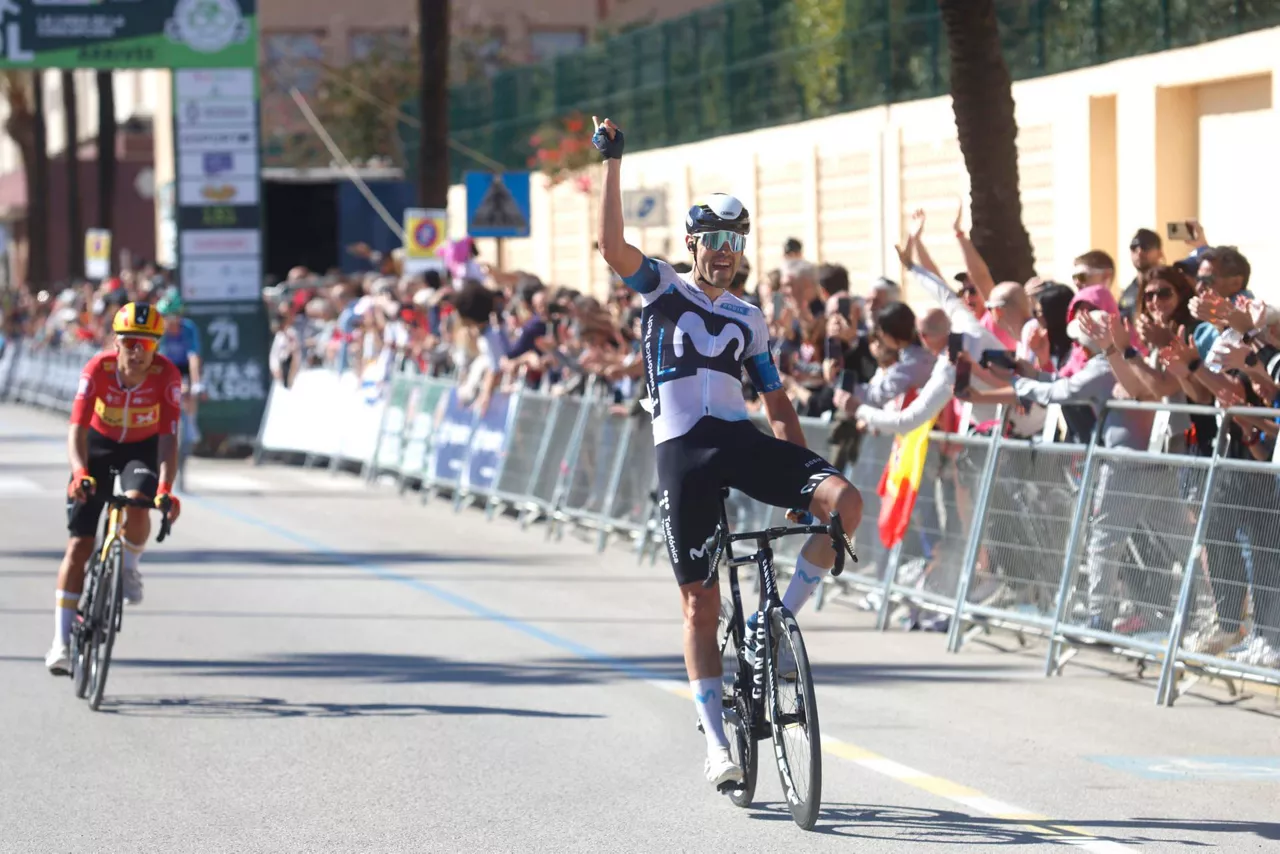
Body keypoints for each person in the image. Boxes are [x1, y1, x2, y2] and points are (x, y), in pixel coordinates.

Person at [591, 115, 863, 790]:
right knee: (698, 606)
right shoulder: (662, 286)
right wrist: (613, 162)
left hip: (740, 440)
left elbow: (775, 403)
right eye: (710, 239)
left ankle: (776, 625)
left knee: (845, 503)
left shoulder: (750, 316)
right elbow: (609, 244)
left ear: (743, 248)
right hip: (683, 451)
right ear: (691, 243)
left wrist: (807, 484)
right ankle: (717, 743)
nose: (721, 250)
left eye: (732, 241)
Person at [45, 303, 183, 675]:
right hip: (99, 445)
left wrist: (166, 488)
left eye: (148, 345)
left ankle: (130, 567)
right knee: (79, 544)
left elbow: (169, 437)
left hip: (141, 449)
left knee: (140, 502)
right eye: (131, 343)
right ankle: (60, 641)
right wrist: (78, 473)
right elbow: (76, 428)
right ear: (116, 342)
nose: (138, 352)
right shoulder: (97, 369)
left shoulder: (167, 375)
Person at [155, 291, 204, 440]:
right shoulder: (160, 330)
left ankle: (190, 423)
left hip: (184, 366)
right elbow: (156, 356)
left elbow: (193, 357)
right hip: (166, 366)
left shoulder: (189, 328)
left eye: (172, 317)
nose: (169, 322)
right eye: (165, 317)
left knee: (190, 393)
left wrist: (196, 383)